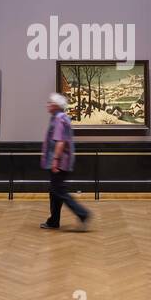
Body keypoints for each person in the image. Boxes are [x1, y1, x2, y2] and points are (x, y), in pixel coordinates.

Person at [41, 92, 90, 231]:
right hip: (59, 160)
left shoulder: (59, 119)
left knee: (59, 191)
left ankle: (83, 214)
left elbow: (60, 141)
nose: (48, 105)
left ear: (56, 106)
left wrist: (55, 160)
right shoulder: (59, 117)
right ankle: (53, 221)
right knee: (55, 191)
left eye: (50, 103)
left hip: (59, 161)